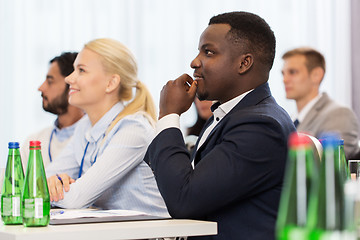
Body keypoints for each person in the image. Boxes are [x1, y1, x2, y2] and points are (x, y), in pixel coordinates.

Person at [144, 11, 295, 239]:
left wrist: (169, 114)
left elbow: (184, 199)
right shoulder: (230, 113)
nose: (195, 62)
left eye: (208, 52)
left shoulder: (260, 126)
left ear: (244, 63)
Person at [45, 38, 169, 217]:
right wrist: (53, 182)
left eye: (81, 70)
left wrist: (51, 190)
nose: (69, 78)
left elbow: (76, 199)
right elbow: (36, 183)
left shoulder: (133, 129)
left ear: (111, 83)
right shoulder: (84, 128)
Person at [282, 47, 360, 159]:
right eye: (283, 73)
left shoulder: (339, 114)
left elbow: (332, 163)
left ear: (316, 75)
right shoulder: (289, 119)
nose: (285, 79)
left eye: (292, 72)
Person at [21, 52, 84, 168]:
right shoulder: (35, 141)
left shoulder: (92, 139)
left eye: (50, 81)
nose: (41, 88)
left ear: (72, 83)